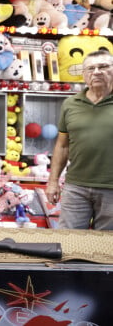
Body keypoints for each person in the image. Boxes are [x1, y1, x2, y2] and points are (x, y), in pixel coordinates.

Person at [45, 49, 113, 230]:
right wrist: (53, 182)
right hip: (76, 188)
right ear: (83, 74)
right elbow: (62, 145)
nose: (96, 72)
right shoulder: (71, 104)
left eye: (103, 66)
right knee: (68, 244)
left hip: (111, 189)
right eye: (90, 68)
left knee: (107, 249)